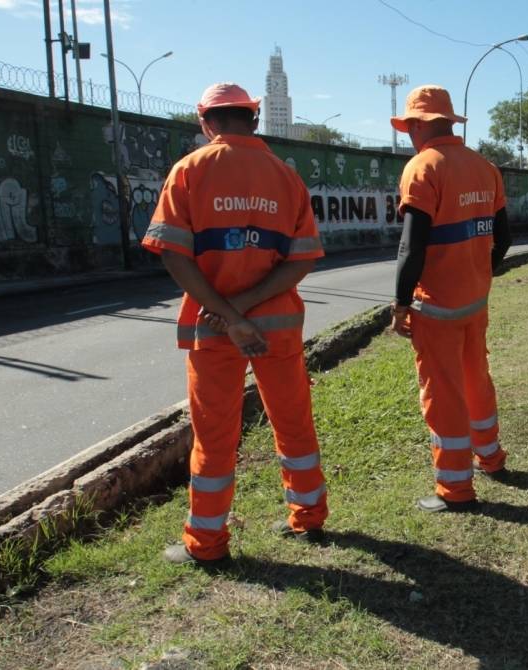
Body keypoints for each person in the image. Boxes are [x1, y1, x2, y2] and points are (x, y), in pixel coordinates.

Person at [141, 82, 328, 564]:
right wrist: (249, 306)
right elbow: (300, 260)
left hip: (215, 331)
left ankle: (206, 543)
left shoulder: (189, 170)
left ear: (206, 122)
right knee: (292, 421)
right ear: (255, 119)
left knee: (215, 435)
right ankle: (308, 516)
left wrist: (230, 314)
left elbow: (175, 258)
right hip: (278, 327)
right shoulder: (285, 178)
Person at [389, 85, 513, 512]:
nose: (408, 134)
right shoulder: (485, 167)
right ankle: (491, 458)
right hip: (474, 302)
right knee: (476, 379)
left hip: (436, 307)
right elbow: (504, 237)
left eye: (408, 126)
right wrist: (481, 270)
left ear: (419, 125)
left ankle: (455, 489)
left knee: (442, 394)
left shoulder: (422, 168)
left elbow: (412, 247)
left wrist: (401, 303)